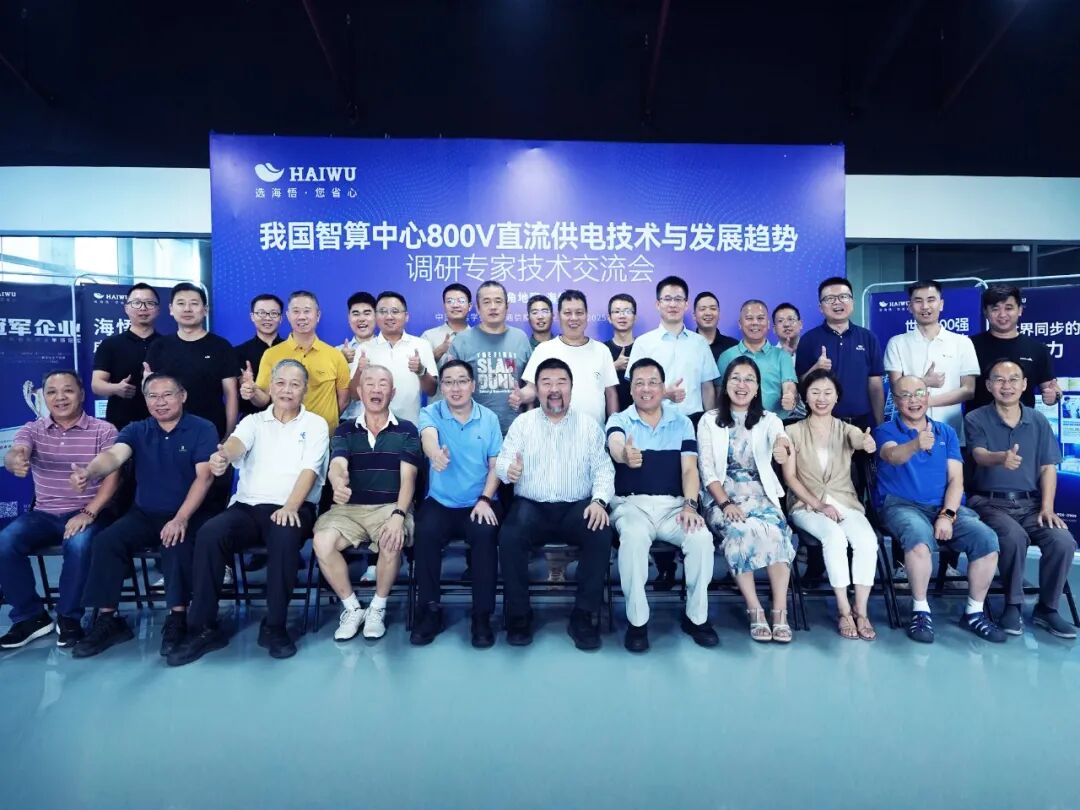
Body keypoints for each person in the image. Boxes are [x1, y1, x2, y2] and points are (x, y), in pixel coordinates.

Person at [166, 359, 330, 665]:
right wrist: (223, 457)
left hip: (294, 506)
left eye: (295, 384)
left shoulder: (316, 424)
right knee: (210, 533)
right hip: (247, 506)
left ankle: (275, 626)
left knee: (284, 534)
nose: (287, 390)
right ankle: (202, 628)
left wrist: (290, 506)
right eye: (280, 382)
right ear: (271, 387)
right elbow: (235, 445)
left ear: (305, 390)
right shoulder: (253, 421)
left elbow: (310, 471)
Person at [71, 373, 217, 658]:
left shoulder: (202, 428)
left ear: (183, 396)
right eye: (153, 396)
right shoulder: (137, 429)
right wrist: (89, 472)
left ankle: (178, 617)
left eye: (167, 395)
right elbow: (114, 456)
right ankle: (108, 619)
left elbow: (205, 477)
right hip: (144, 513)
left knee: (175, 542)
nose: (160, 402)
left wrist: (181, 518)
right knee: (106, 541)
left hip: (189, 512)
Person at [496, 358, 615, 650]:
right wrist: (509, 470)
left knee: (600, 532)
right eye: (546, 383)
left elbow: (604, 469)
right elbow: (502, 461)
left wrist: (599, 501)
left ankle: (584, 615)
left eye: (561, 382)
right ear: (537, 389)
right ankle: (519, 615)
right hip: (531, 507)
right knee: (510, 535)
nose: (554, 389)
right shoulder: (523, 424)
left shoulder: (588, 426)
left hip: (576, 506)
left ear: (571, 388)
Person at [874, 375, 1004, 643]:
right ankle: (920, 610)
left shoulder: (946, 432)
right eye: (905, 395)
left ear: (927, 396)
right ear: (895, 401)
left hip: (943, 506)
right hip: (900, 505)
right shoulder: (885, 430)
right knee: (919, 537)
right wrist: (915, 444)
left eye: (919, 393)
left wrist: (947, 514)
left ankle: (974, 612)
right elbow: (892, 456)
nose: (913, 400)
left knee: (986, 539)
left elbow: (956, 480)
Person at [0, 370, 119, 649]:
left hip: (90, 511)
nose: (60, 397)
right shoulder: (33, 429)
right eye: (51, 392)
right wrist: (13, 460)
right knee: (4, 543)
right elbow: (17, 451)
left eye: (67, 390)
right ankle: (30, 617)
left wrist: (88, 512)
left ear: (82, 394)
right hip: (43, 513)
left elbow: (114, 478)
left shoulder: (104, 430)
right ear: (43, 397)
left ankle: (69, 617)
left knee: (79, 544)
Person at [606, 358, 718, 652]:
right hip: (632, 506)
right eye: (639, 383)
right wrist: (625, 455)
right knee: (632, 540)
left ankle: (696, 618)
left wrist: (690, 506)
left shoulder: (682, 422)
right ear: (631, 389)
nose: (646, 389)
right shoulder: (619, 420)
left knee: (701, 539)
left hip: (675, 508)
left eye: (653, 382)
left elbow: (689, 470)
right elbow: (616, 446)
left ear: (662, 387)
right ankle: (637, 622)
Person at [965, 359, 1077, 638]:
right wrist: (1000, 458)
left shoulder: (1038, 420)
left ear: (1025, 385)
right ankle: (1012, 604)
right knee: (1013, 537)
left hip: (1031, 505)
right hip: (989, 503)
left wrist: (1047, 507)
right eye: (999, 380)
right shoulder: (975, 418)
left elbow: (1048, 467)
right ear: (989, 386)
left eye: (1014, 379)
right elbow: (979, 455)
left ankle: (1047, 608)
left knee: (1063, 541)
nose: (1007, 386)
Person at [311, 365, 420, 642]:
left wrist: (399, 514)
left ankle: (377, 608)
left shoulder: (407, 430)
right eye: (369, 383)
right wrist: (337, 481)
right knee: (322, 542)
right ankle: (352, 609)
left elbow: (408, 478)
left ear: (392, 393)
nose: (376, 389)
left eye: (383, 384)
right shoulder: (345, 429)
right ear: (359, 391)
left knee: (391, 540)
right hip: (349, 510)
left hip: (390, 506)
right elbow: (337, 463)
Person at [699, 357, 796, 643]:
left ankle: (780, 611)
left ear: (757, 388)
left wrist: (781, 446)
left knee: (776, 531)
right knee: (741, 532)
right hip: (723, 496)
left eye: (749, 380)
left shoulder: (769, 419)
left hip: (761, 495)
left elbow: (781, 437)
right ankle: (755, 609)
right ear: (725, 384)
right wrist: (726, 504)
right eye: (736, 378)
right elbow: (707, 471)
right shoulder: (709, 420)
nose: (742, 385)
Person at [779, 369, 879, 640]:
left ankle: (861, 610)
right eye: (815, 392)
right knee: (834, 537)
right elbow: (790, 478)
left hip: (845, 501)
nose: (821, 399)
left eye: (827, 393)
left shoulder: (847, 429)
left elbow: (859, 440)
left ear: (837, 397)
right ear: (805, 397)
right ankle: (844, 610)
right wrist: (819, 505)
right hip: (806, 505)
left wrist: (866, 442)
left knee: (867, 541)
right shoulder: (791, 431)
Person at [410, 360, 503, 648]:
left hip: (479, 501)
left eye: (462, 381)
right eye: (448, 381)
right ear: (442, 387)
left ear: (473, 385)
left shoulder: (489, 418)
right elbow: (428, 437)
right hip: (441, 501)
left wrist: (485, 499)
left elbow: (495, 465)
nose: (455, 387)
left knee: (485, 536)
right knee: (424, 533)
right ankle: (430, 611)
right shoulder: (431, 412)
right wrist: (435, 454)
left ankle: (482, 616)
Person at [245, 290, 352, 434]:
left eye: (307, 311)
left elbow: (344, 400)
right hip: (283, 435)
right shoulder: (271, 354)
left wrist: (325, 422)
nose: (301, 317)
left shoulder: (335, 355)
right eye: (296, 311)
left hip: (324, 437)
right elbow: (263, 400)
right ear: (288, 316)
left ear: (318, 315)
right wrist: (253, 392)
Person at [884, 280, 979, 441]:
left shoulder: (962, 342)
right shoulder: (897, 343)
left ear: (941, 304)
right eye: (918, 301)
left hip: (950, 431)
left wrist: (926, 401)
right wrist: (924, 382)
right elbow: (896, 388)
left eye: (931, 300)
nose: (925, 306)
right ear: (910, 306)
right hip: (908, 434)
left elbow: (968, 390)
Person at [145, 282, 239, 441]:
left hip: (212, 430)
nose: (187, 309)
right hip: (167, 432)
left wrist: (229, 435)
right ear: (171, 309)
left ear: (205, 310)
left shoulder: (221, 346)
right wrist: (146, 385)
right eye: (181, 303)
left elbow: (231, 394)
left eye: (194, 303)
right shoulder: (159, 346)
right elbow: (152, 394)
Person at [518, 290, 619, 429]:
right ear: (559, 316)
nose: (573, 318)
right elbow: (531, 389)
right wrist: (520, 395)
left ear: (587, 315)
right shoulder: (543, 350)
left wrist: (613, 429)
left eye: (579, 313)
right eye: (567, 313)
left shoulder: (602, 350)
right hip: (552, 434)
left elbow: (611, 394)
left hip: (595, 434)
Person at [625, 276, 719, 424]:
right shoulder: (643, 343)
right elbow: (635, 389)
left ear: (686, 304)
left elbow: (707, 388)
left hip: (694, 421)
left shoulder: (700, 343)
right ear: (658, 304)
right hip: (654, 419)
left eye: (678, 299)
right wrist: (664, 394)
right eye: (667, 299)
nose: (673, 304)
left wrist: (711, 424)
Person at [796, 276, 885, 429]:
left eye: (843, 297)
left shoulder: (868, 338)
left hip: (862, 424)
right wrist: (816, 369)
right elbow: (800, 385)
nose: (837, 302)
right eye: (830, 299)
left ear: (852, 302)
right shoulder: (808, 340)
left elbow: (875, 386)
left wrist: (880, 424)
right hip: (821, 425)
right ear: (820, 307)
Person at [446, 281, 533, 435]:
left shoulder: (520, 338)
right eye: (486, 302)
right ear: (478, 308)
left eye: (498, 301)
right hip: (472, 431)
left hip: (515, 431)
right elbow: (450, 388)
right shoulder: (462, 341)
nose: (493, 307)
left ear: (507, 305)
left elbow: (534, 386)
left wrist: (523, 395)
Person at [969, 284, 1061, 411]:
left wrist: (1055, 395)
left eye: (1009, 308)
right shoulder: (968, 346)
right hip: (978, 422)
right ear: (985, 312)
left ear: (1020, 310)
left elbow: (1051, 388)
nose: (1002, 314)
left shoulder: (1037, 349)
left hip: (1023, 422)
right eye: (995, 309)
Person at [91, 282, 163, 430]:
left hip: (162, 422)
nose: (143, 308)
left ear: (158, 309)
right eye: (136, 303)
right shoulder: (110, 344)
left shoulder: (167, 345)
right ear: (126, 308)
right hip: (121, 423)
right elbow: (96, 385)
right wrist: (116, 388)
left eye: (149, 303)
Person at [363, 291, 437, 424]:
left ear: (406, 316)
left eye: (395, 311)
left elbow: (432, 390)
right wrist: (359, 371)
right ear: (376, 316)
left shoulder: (422, 345)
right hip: (372, 426)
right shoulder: (364, 349)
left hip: (410, 425)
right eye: (383, 311)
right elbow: (354, 394)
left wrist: (421, 371)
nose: (389, 316)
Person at [716, 299, 798, 418]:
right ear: (740, 323)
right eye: (749, 318)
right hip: (735, 423)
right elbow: (719, 394)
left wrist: (789, 396)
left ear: (768, 324)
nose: (755, 322)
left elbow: (789, 385)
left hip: (775, 423)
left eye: (760, 318)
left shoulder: (782, 356)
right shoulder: (726, 356)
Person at [234, 293, 285, 419]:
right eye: (261, 313)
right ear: (252, 316)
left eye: (273, 313)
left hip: (288, 417)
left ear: (281, 318)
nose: (267, 318)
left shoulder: (292, 349)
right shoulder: (238, 352)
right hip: (252, 418)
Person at [339, 291, 377, 423]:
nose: (361, 319)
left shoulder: (387, 349)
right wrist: (340, 361)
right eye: (356, 314)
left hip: (381, 421)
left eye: (367, 313)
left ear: (376, 316)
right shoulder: (337, 352)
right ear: (349, 318)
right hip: (347, 422)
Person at [420, 283, 473, 371]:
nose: (455, 305)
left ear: (470, 306)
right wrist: (439, 351)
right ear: (444, 306)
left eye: (461, 301)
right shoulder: (429, 336)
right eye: (450, 301)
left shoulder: (479, 337)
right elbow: (418, 370)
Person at [605, 293, 637, 411]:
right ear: (609, 318)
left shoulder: (643, 346)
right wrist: (613, 367)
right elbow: (591, 382)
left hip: (641, 415)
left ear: (635, 317)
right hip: (608, 415)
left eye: (627, 311)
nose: (622, 316)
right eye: (617, 311)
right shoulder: (601, 349)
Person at [693, 291, 738, 362]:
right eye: (702, 309)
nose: (708, 313)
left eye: (713, 308)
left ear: (719, 314)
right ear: (694, 315)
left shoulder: (733, 346)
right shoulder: (686, 346)